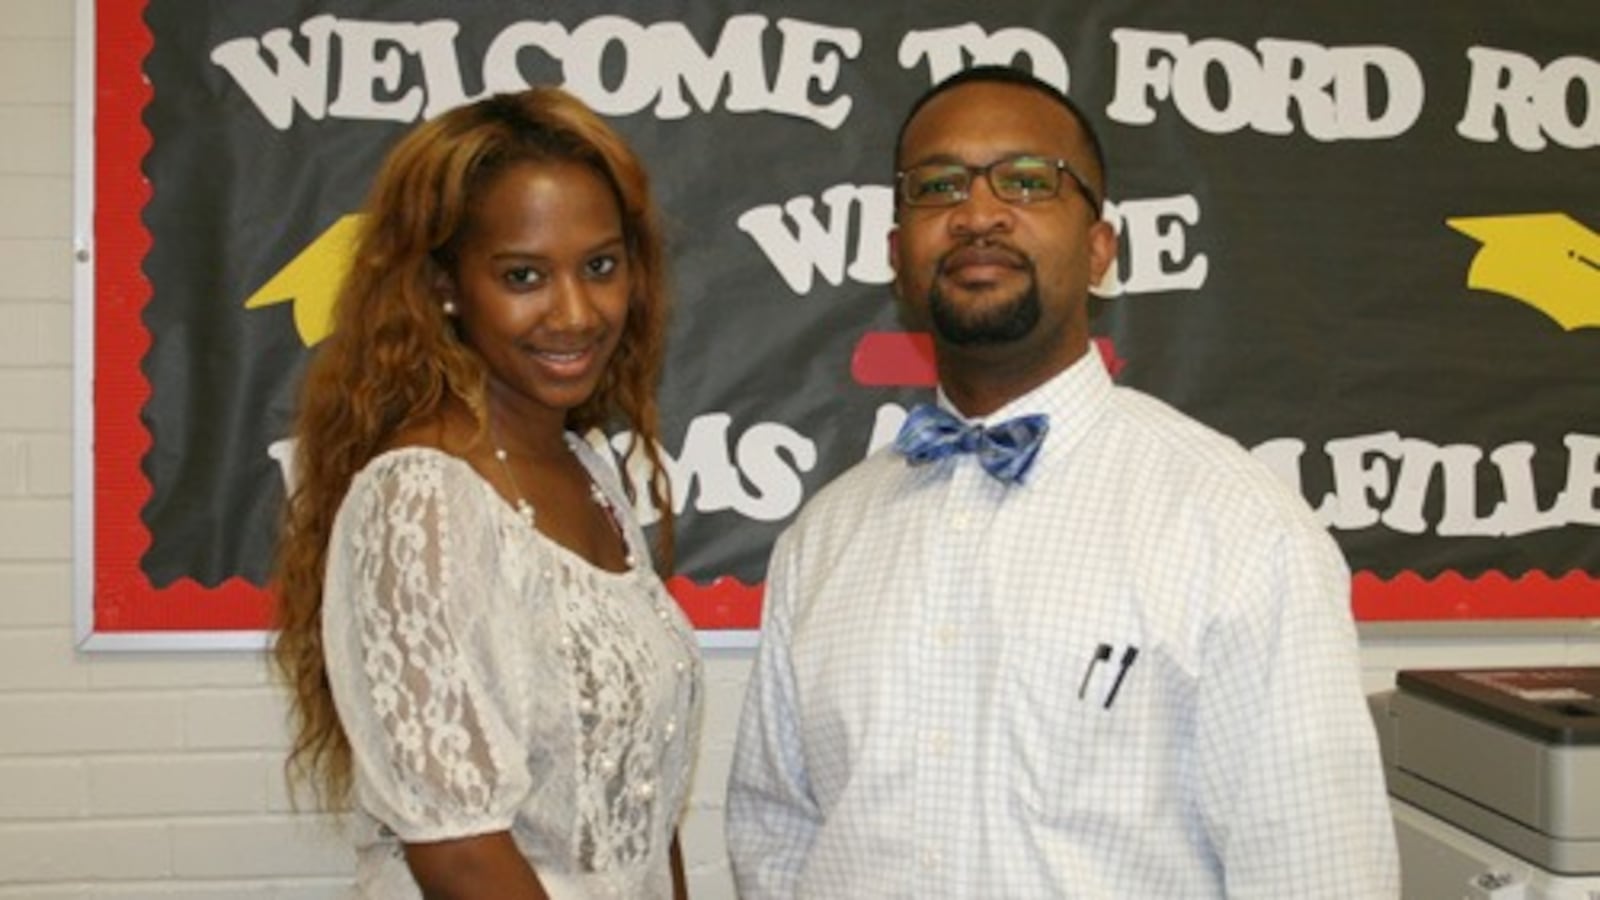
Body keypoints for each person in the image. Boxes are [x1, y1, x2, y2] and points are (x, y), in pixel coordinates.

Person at [726, 65, 1398, 898]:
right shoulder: (824, 539)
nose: (977, 213)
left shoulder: (1238, 527)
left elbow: (1317, 873)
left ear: (1100, 249)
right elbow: (775, 833)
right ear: (899, 256)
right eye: (937, 187)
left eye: (1028, 181)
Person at [273, 87, 701, 899]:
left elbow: (642, 815)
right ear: (445, 283)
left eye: (601, 267)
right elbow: (460, 855)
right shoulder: (421, 497)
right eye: (523, 275)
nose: (575, 312)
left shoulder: (590, 470)